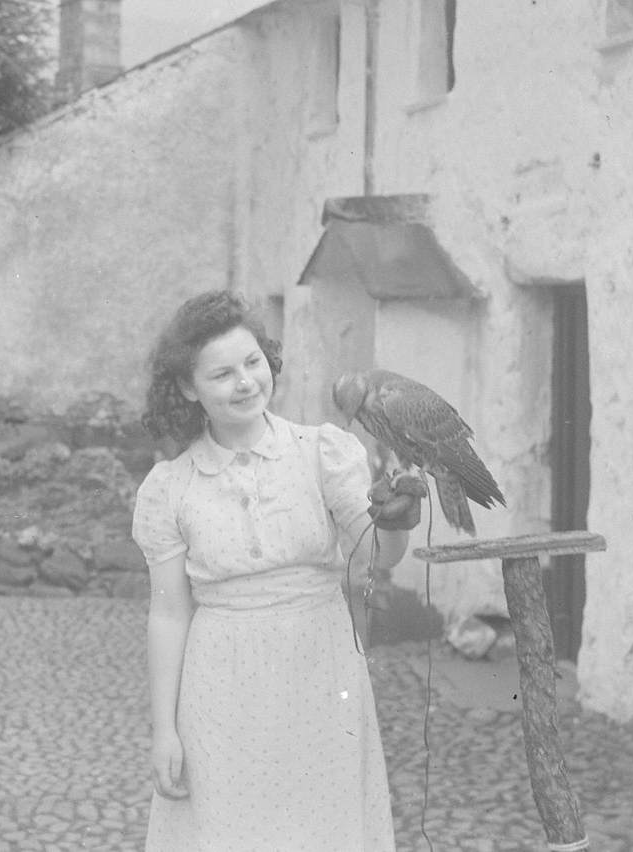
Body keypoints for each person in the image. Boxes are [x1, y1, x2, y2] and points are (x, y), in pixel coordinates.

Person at [132, 290, 419, 851]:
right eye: (221, 374)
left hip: (320, 671)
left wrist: (397, 520)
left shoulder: (323, 454)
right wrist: (164, 730)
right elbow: (168, 613)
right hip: (220, 687)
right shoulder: (171, 488)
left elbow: (377, 558)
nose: (244, 383)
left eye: (253, 362)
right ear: (189, 388)